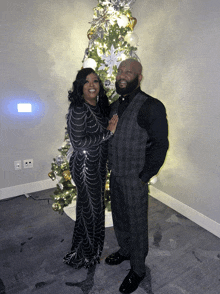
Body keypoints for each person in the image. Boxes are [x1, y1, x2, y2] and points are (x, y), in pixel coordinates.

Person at [105, 59, 169, 294]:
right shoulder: (113, 106)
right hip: (116, 174)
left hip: (135, 177)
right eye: (120, 71)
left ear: (139, 77)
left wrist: (145, 175)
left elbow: (160, 144)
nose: (122, 75)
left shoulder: (151, 106)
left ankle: (139, 268)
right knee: (120, 217)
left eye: (129, 72)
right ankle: (125, 250)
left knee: (137, 223)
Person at [63, 68, 118, 269]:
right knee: (91, 211)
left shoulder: (99, 106)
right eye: (86, 82)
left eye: (95, 81)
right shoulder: (78, 109)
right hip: (85, 168)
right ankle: (84, 254)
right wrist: (108, 133)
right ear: (80, 86)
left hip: (98, 166)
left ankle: (88, 250)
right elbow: (78, 143)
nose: (92, 85)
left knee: (92, 210)